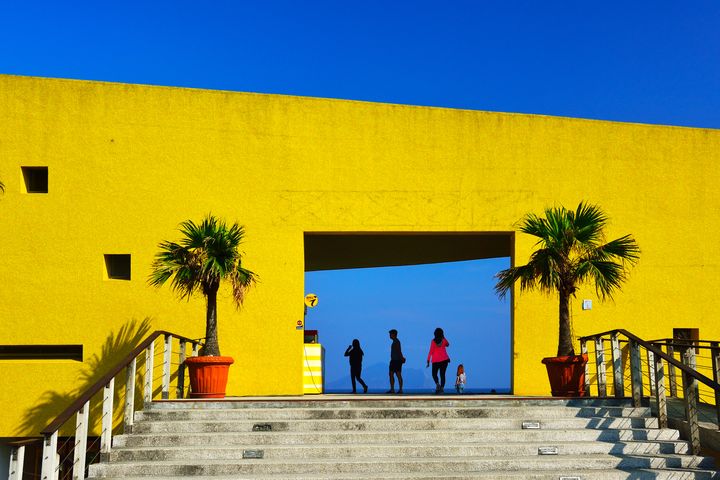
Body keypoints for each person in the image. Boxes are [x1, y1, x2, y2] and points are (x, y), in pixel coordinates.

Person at [426, 327, 450, 393]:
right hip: (444, 360)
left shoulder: (433, 341)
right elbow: (448, 345)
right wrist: (444, 337)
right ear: (442, 333)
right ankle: (441, 388)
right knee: (442, 374)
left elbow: (430, 351)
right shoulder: (443, 340)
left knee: (434, 374)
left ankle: (437, 385)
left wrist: (428, 360)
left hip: (435, 361)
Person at [387, 329, 404, 394]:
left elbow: (399, 351)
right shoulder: (394, 342)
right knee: (391, 374)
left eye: (390, 334)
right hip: (393, 360)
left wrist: (402, 358)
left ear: (394, 334)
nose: (389, 335)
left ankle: (400, 389)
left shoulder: (397, 342)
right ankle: (392, 389)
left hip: (397, 361)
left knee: (398, 374)